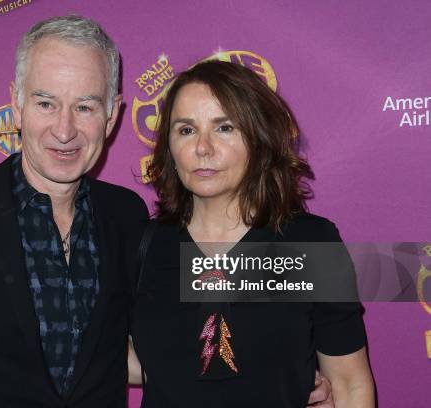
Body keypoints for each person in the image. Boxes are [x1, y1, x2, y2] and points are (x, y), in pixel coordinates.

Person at [0, 14, 334, 408]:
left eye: (85, 107)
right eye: (46, 102)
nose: (65, 130)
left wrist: (281, 373)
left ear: (112, 116)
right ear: (15, 103)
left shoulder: (129, 217)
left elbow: (180, 322)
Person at [129, 60, 375, 407]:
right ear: (169, 147)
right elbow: (122, 358)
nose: (203, 147)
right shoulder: (144, 246)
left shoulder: (307, 244)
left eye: (224, 127)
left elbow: (350, 385)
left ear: (257, 137)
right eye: (186, 130)